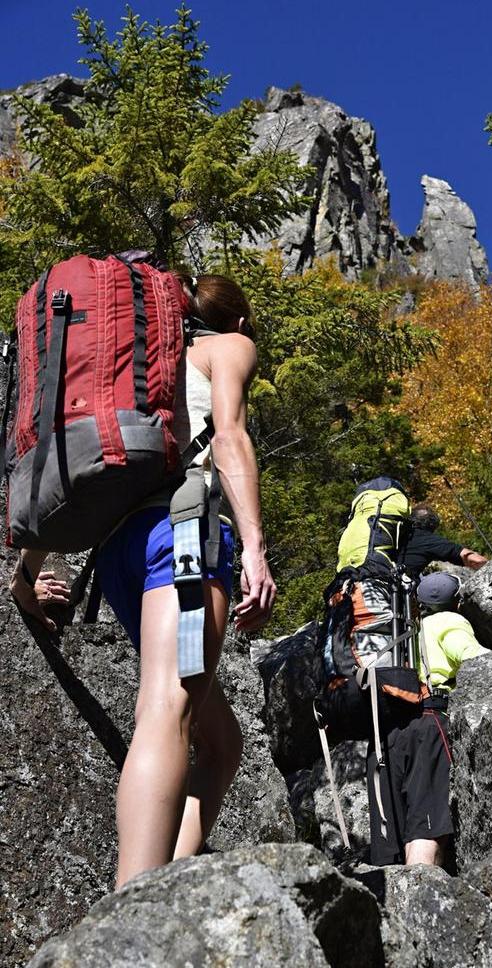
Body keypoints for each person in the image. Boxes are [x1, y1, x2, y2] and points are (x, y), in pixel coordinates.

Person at [10, 272, 276, 888]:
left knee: (222, 741)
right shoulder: (227, 347)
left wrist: (26, 579)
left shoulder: (131, 380)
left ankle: (170, 882)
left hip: (121, 554)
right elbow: (230, 435)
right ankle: (132, 914)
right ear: (235, 322)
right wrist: (255, 549)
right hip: (182, 538)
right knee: (165, 712)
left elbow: (73, 476)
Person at [367, 572, 486, 867]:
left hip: (386, 730)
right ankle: (425, 905)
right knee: (426, 822)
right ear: (456, 602)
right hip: (429, 723)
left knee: (393, 832)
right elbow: (477, 660)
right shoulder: (449, 622)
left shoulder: (399, 630)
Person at [404, 503, 488, 578]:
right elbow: (477, 560)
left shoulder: (399, 533)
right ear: (432, 526)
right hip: (398, 590)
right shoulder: (430, 540)